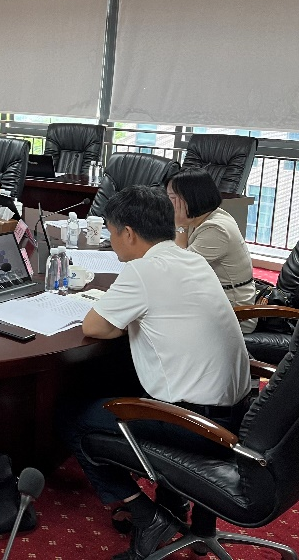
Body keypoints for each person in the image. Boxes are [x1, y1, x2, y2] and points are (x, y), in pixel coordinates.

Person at [65, 185, 250, 560]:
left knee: (74, 418)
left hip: (196, 423)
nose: (111, 241)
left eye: (111, 232)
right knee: (121, 380)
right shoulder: (191, 259)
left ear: (128, 233)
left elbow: (94, 327)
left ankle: (147, 516)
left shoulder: (143, 271)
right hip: (237, 414)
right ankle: (175, 501)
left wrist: (124, 320)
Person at [168, 168, 257, 334]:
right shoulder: (202, 217)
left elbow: (179, 268)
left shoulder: (216, 229)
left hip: (235, 312)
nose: (168, 203)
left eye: (172, 198)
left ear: (191, 198)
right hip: (211, 297)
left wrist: (180, 226)